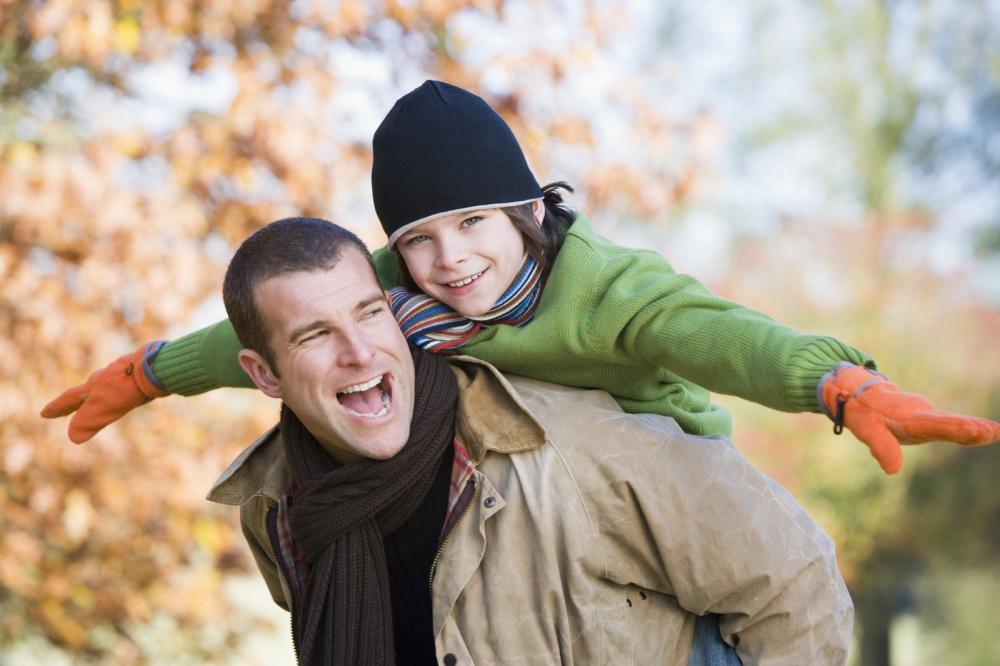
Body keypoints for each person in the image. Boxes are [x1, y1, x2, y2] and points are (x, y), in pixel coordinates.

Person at [42, 81, 1000, 475]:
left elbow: (720, 335)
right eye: (420, 237)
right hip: (540, 466)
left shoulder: (607, 289)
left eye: (473, 223)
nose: (450, 259)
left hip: (670, 462)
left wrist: (838, 384)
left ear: (529, 211)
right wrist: (148, 372)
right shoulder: (396, 289)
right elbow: (272, 328)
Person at [207, 215, 852, 665]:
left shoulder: (567, 447)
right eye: (314, 336)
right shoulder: (278, 510)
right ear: (264, 374)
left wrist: (833, 380)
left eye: (371, 313)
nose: (359, 351)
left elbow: (794, 581)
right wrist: (150, 373)